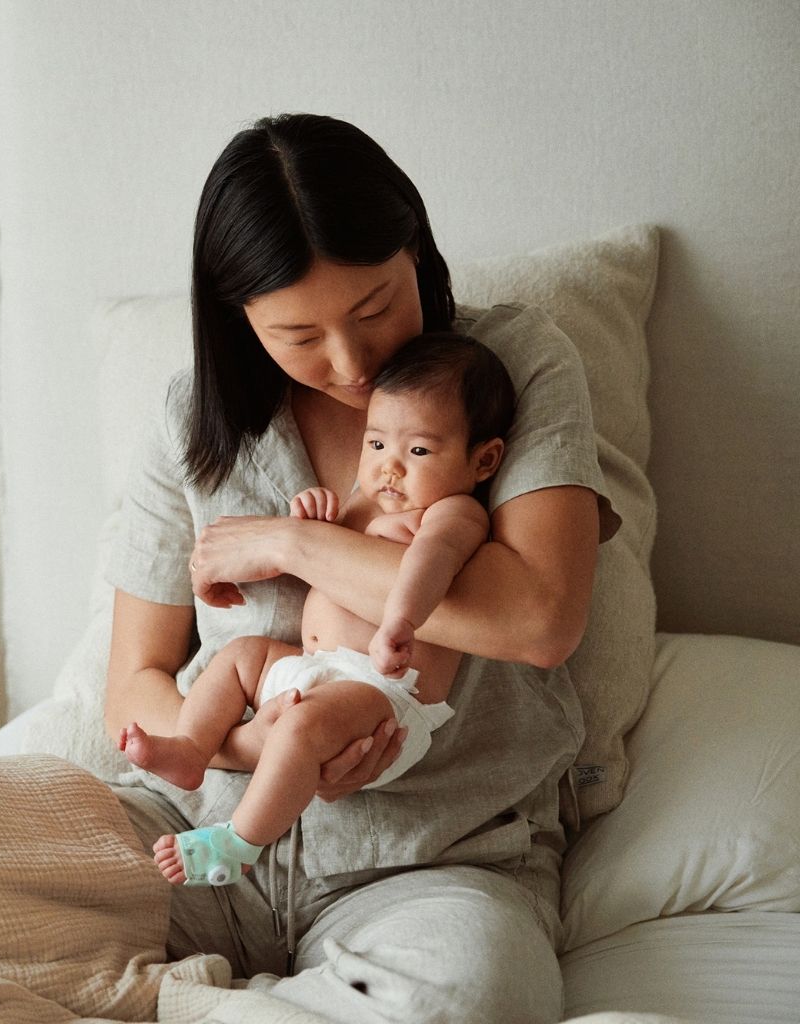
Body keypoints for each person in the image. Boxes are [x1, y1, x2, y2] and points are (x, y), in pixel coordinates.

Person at [104, 112, 618, 1023]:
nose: (349, 362)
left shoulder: (512, 368)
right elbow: (133, 685)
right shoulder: (193, 418)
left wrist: (291, 544)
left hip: (434, 860)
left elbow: (539, 619)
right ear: (240, 319)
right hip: (192, 843)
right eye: (297, 334)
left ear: (415, 251)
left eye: (375, 308)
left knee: (475, 998)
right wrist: (266, 748)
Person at [117, 332, 515, 886]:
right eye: (376, 445)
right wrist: (313, 522)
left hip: (383, 691)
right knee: (240, 656)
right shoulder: (367, 498)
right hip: (312, 669)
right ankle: (191, 747)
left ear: (483, 459)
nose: (389, 469)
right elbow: (326, 561)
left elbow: (429, 565)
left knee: (301, 727)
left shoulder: (452, 514)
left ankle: (238, 843)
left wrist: (399, 622)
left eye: (418, 451)